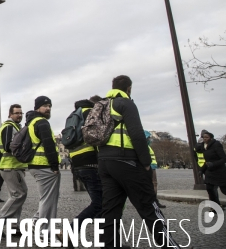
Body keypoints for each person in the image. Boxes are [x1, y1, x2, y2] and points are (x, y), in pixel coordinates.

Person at [98, 75, 180, 248]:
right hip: (126, 159)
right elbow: (137, 134)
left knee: (110, 209)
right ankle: (170, 245)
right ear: (128, 88)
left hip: (105, 161)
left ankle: (109, 245)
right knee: (149, 205)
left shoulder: (102, 106)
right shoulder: (126, 103)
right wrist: (145, 162)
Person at [25, 96, 61, 238]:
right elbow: (49, 145)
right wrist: (54, 166)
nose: (48, 108)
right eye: (45, 105)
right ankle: (44, 233)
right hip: (44, 166)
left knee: (47, 198)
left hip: (36, 165)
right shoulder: (42, 122)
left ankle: (35, 223)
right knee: (48, 201)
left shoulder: (32, 121)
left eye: (50, 106)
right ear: (37, 108)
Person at [68, 97, 103, 236]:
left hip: (78, 164)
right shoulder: (90, 113)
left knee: (100, 204)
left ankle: (107, 241)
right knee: (100, 203)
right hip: (91, 162)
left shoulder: (72, 116)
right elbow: (99, 136)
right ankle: (68, 231)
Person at [0, 104, 29, 230]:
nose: (19, 115)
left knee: (18, 195)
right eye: (16, 113)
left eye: (21, 113)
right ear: (10, 114)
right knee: (19, 195)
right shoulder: (8, 127)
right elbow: (9, 146)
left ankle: (14, 225)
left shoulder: (13, 127)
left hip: (14, 166)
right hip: (10, 166)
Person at [197, 130, 226, 210]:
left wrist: (213, 164)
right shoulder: (203, 146)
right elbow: (206, 160)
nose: (205, 139)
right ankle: (215, 207)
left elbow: (223, 159)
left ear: (211, 138)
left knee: (224, 190)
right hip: (210, 172)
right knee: (210, 189)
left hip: (219, 171)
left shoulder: (216, 145)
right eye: (203, 137)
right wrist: (201, 170)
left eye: (207, 137)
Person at [145, 130, 166, 208]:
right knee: (153, 184)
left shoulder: (147, 146)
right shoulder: (146, 146)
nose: (150, 139)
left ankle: (153, 201)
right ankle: (154, 201)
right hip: (150, 167)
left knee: (152, 184)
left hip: (150, 166)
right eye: (148, 137)